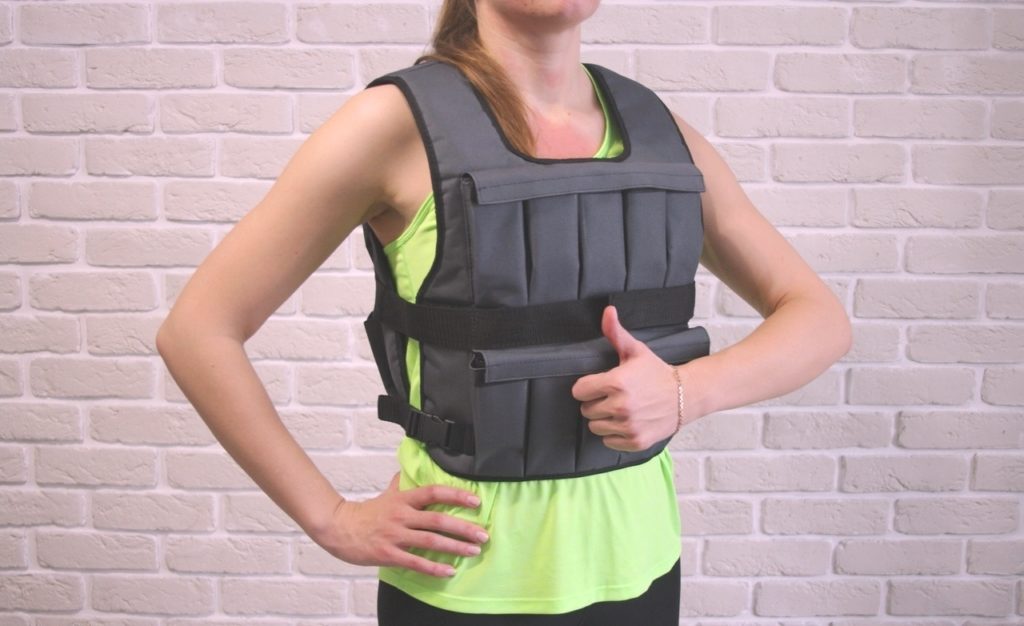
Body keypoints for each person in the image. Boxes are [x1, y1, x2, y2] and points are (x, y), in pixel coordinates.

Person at [156, 0, 853, 623]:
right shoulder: (394, 124)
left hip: (640, 570)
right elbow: (197, 331)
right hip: (463, 583)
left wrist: (683, 391)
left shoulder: (658, 131)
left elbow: (818, 318)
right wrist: (331, 518)